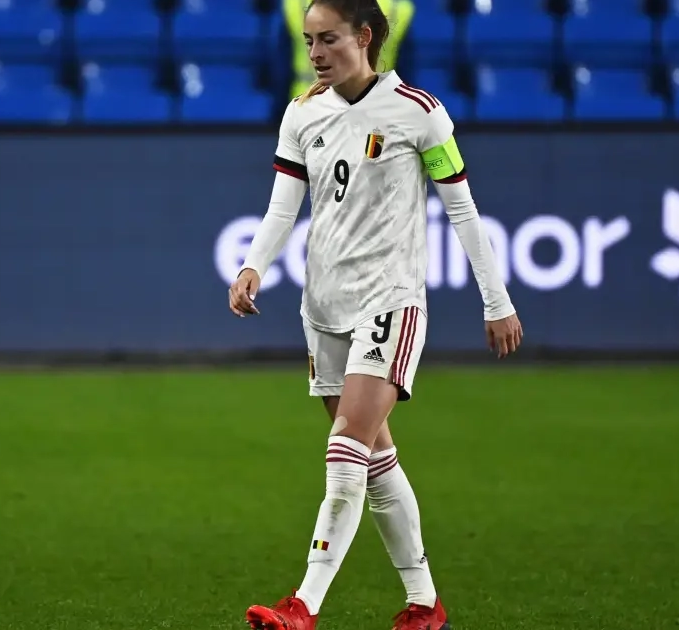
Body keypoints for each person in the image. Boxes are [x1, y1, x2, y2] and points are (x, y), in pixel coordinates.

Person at [228, 1, 523, 629]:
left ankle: (302, 606)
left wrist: (496, 301)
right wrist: (253, 265)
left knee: (344, 451)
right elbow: (283, 206)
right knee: (375, 459)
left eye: (328, 39)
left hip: (390, 301)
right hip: (323, 307)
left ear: (365, 37)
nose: (315, 54)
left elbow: (463, 211)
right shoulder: (302, 113)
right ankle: (425, 603)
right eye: (309, 40)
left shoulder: (419, 112)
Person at [282, 0, 413, 100]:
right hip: (376, 102)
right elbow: (410, 68)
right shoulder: (397, 7)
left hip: (311, 100)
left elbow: (279, 62)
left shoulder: (296, 4)